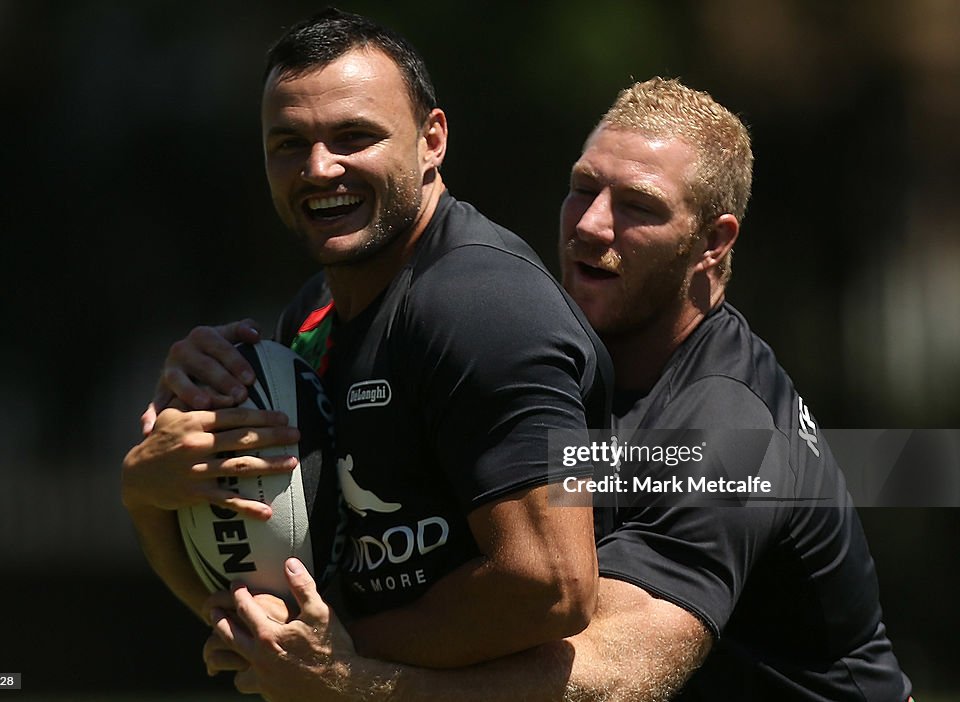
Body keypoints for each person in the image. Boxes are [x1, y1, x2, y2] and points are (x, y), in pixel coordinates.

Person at [177, 78, 914, 700]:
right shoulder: (528, 360)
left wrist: (354, 678)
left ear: (714, 242)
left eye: (640, 207)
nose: (591, 226)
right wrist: (162, 470)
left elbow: (614, 673)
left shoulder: (724, 431)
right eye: (583, 188)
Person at [122, 7, 613, 670]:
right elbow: (270, 622)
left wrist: (337, 661)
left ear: (431, 139)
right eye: (288, 143)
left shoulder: (485, 306)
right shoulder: (310, 316)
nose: (319, 169)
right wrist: (151, 489)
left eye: (353, 136)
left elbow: (551, 589)